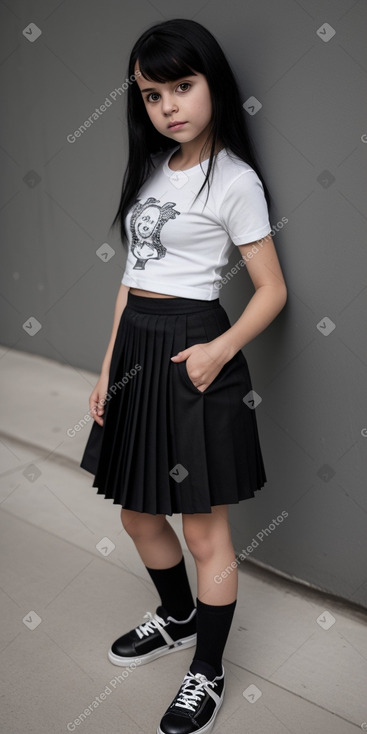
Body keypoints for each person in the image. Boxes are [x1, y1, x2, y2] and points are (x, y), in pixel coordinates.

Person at [80, 17, 287, 734]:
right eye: (149, 94)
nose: (167, 105)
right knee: (137, 513)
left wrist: (217, 349)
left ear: (211, 85)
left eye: (181, 86)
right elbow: (130, 277)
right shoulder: (149, 170)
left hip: (194, 349)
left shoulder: (233, 179)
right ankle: (177, 616)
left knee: (204, 533)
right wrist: (108, 366)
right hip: (137, 346)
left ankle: (208, 669)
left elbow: (271, 290)